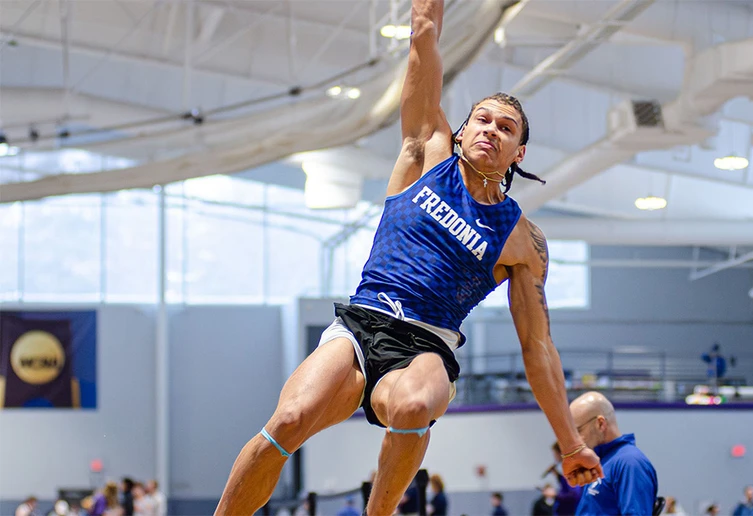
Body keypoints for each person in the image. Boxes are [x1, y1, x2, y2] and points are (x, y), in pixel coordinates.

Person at [214, 0, 603, 514]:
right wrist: (425, 16)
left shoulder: (521, 240)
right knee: (288, 421)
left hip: (426, 345)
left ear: (519, 153)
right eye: (482, 119)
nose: (491, 129)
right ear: (461, 131)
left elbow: (538, 347)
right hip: (362, 324)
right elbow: (423, 38)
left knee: (416, 404)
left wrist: (571, 443)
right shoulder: (426, 152)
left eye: (506, 128)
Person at [570, 391, 658, 516]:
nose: (574, 440)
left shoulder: (629, 463)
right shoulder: (601, 461)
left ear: (600, 424)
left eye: (578, 431)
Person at [546, 442, 583, 515]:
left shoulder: (571, 469)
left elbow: (575, 495)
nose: (554, 457)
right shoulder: (566, 469)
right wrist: (557, 475)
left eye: (555, 454)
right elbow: (566, 484)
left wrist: (555, 495)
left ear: (561, 453)